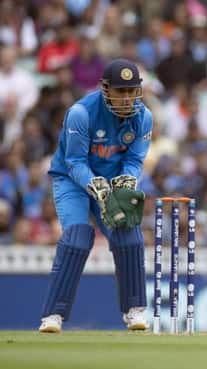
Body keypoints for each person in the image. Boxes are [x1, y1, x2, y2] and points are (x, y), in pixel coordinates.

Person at [39, 59, 152, 333]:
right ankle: (53, 316)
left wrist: (128, 178)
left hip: (112, 180)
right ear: (105, 88)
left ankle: (134, 310)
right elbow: (75, 161)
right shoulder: (81, 113)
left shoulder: (144, 116)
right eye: (119, 91)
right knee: (78, 239)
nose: (126, 99)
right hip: (73, 181)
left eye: (131, 91)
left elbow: (135, 159)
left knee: (128, 233)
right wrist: (95, 186)